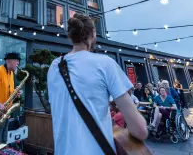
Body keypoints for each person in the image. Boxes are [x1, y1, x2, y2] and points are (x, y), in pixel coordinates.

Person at [47, 14, 148, 154]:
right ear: (93, 34)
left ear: (70, 36)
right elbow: (140, 130)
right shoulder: (105, 64)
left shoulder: (54, 67)